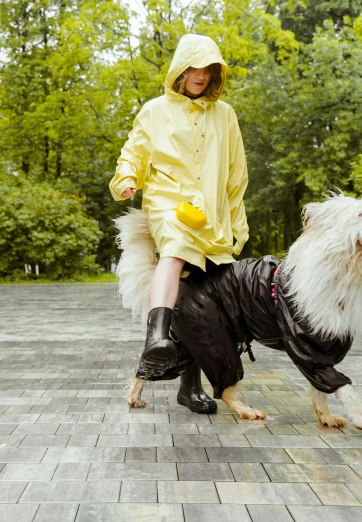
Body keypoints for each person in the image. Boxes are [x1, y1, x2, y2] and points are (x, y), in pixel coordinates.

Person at [109, 33, 249, 413]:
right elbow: (133, 152)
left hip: (211, 213)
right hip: (168, 203)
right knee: (173, 250)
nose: (201, 75)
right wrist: (126, 179)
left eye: (209, 69)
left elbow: (236, 175)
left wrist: (237, 224)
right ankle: (156, 337)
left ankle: (191, 387)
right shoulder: (154, 110)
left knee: (204, 297)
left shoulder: (226, 115)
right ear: (181, 69)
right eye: (194, 67)